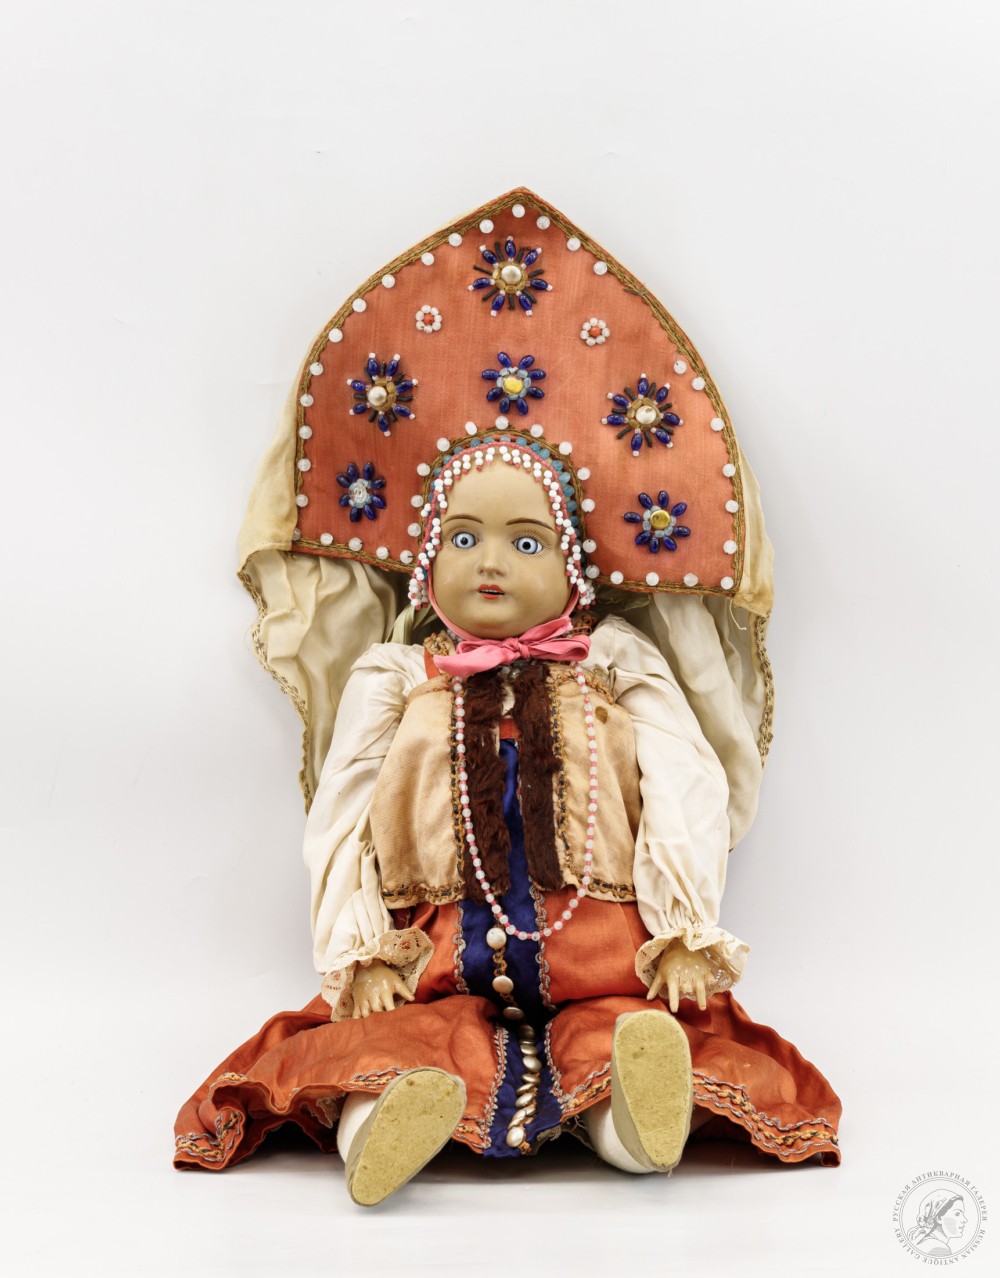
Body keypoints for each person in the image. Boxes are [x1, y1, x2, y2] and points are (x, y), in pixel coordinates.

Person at [174, 188, 841, 1204]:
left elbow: (684, 776)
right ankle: (389, 1120)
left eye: (526, 542)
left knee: (622, 1034)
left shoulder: (612, 659)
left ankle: (635, 1117)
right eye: (464, 538)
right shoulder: (397, 675)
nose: (491, 562)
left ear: (572, 567)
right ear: (425, 562)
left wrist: (682, 923)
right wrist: (357, 947)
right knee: (395, 1042)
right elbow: (340, 813)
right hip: (435, 958)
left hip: (604, 958)